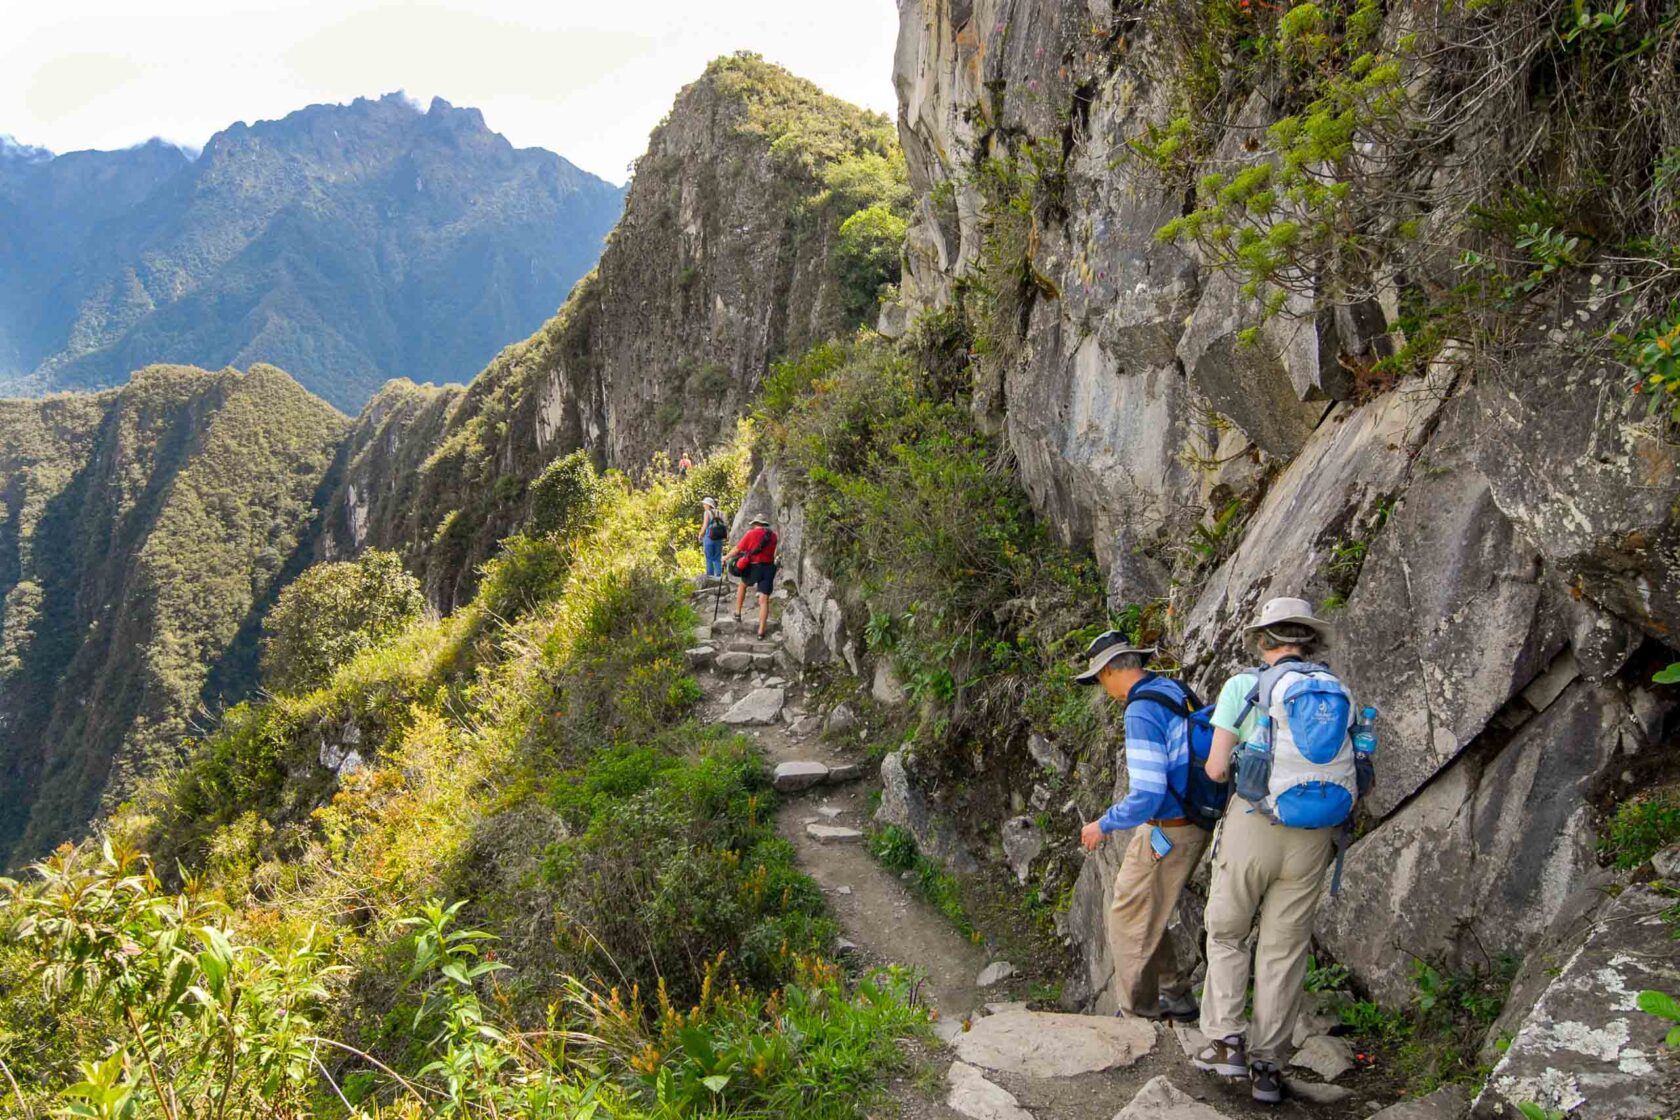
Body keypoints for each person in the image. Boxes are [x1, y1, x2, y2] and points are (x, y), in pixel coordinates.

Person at [1195, 597, 1347, 1104]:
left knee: (1228, 931)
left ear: (1264, 641)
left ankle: (1225, 1041)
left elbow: (1217, 769)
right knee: (1284, 949)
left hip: (1254, 822)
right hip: (1315, 834)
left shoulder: (1244, 685)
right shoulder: (1333, 689)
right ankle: (1267, 1068)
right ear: (1308, 642)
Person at [1076, 632, 1211, 1023]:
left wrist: (1104, 823)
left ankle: (1137, 1018)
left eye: (1100, 678)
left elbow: (1149, 792)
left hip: (1168, 828)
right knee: (1146, 912)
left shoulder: (1140, 710)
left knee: (1126, 919)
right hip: (1193, 820)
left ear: (1110, 671)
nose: (1103, 688)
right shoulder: (1171, 688)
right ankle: (1176, 996)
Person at [725, 515, 777, 639]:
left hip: (754, 568)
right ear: (764, 524)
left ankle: (737, 613)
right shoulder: (773, 536)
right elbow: (774, 553)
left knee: (742, 585)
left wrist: (725, 557)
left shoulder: (750, 534)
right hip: (769, 569)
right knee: (764, 601)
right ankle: (761, 632)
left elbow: (737, 550)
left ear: (755, 523)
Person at [699, 497, 726, 579]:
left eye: (704, 504)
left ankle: (710, 577)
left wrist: (700, 535)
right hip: (719, 539)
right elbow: (725, 525)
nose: (703, 505)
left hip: (709, 538)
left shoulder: (707, 513)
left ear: (708, 505)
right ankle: (718, 576)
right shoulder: (721, 513)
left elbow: (705, 526)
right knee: (717, 558)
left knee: (709, 558)